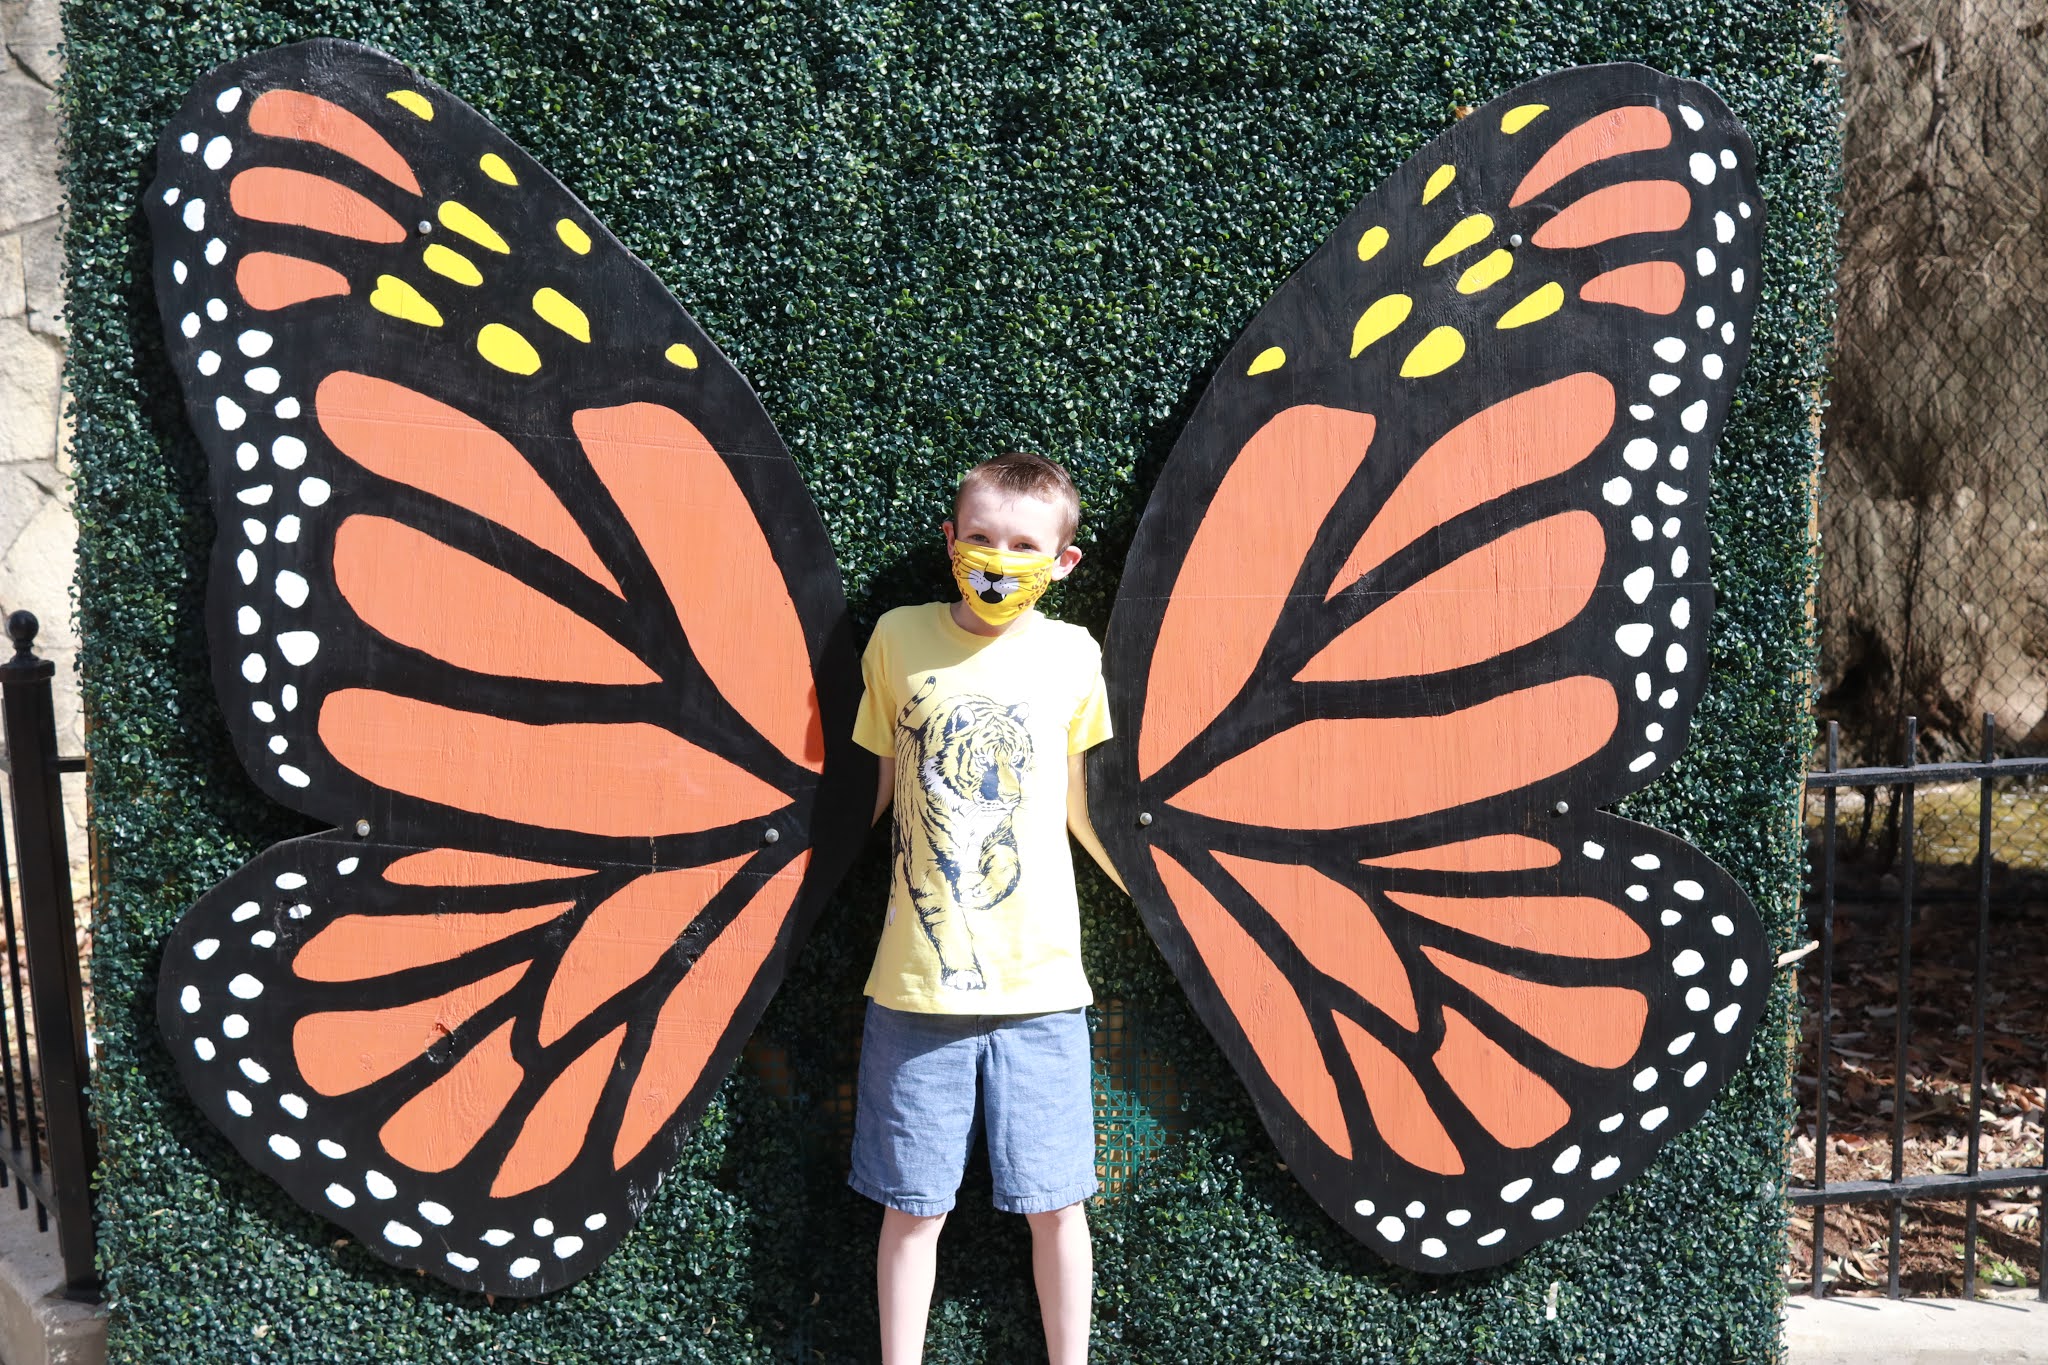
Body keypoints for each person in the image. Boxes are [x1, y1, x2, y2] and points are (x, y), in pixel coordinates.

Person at [848, 451, 1124, 1365]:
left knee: (1060, 1203)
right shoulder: (896, 638)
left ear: (1064, 560)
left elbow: (1084, 805)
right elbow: (873, 793)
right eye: (980, 537)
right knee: (911, 1207)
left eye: (1024, 544)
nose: (998, 558)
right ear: (951, 540)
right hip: (915, 985)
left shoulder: (1073, 654)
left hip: (1044, 986)